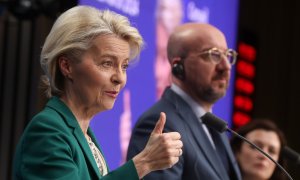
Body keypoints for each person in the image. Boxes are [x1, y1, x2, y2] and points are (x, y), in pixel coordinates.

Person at [13, 6, 183, 180]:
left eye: (124, 66)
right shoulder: (48, 131)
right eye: (107, 63)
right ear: (67, 66)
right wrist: (144, 162)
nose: (120, 78)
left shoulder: (84, 135)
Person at [127, 23, 241, 180]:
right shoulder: (160, 125)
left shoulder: (214, 127)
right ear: (178, 66)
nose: (226, 66)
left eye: (227, 55)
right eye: (213, 54)